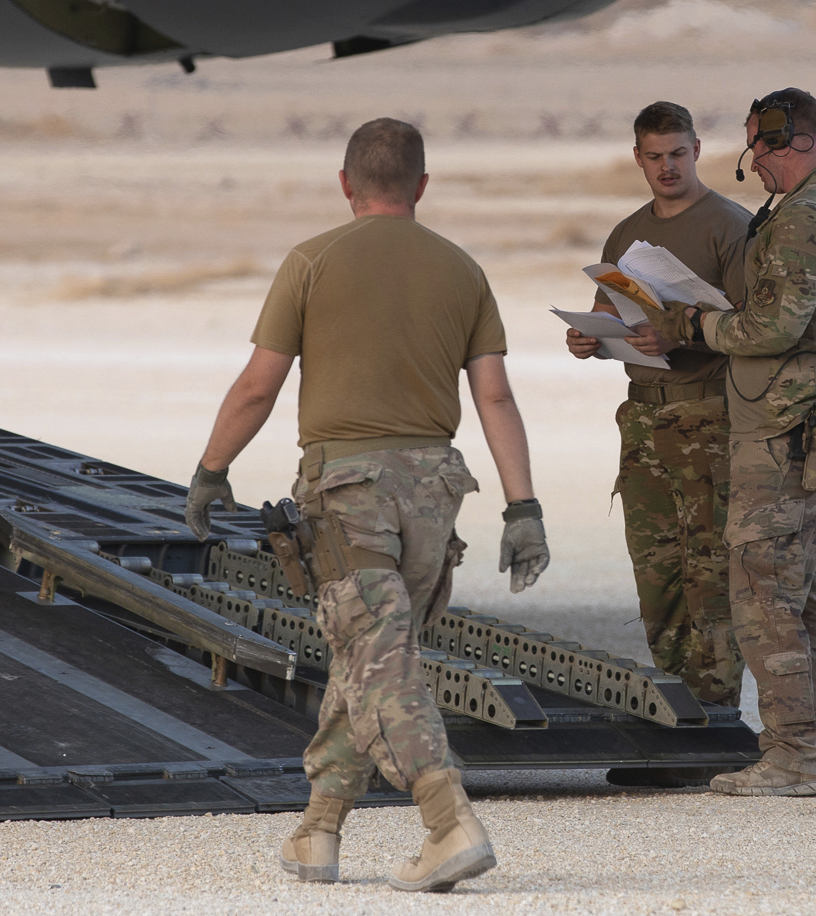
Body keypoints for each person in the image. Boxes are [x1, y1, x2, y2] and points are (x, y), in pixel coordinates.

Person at [182, 117, 550, 891]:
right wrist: (523, 507)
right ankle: (318, 830)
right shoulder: (462, 269)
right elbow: (495, 394)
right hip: (434, 494)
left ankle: (448, 820)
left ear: (345, 185)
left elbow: (258, 384)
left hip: (347, 493)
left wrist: (212, 469)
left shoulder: (312, 260)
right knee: (372, 658)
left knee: (380, 661)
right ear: (421, 185)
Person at [606, 88, 816, 798]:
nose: (754, 161)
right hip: (798, 422)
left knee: (761, 596)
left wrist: (691, 325)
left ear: (796, 141)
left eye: (761, 146)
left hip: (779, 427)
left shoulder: (805, 218)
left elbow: (772, 326)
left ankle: (792, 755)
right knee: (804, 596)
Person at [563, 102, 752, 785]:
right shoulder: (628, 231)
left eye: (678, 153)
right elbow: (618, 316)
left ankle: (716, 724)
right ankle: (674, 723)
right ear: (638, 158)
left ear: (698, 148)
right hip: (643, 419)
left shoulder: (731, 228)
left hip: (708, 419)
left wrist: (685, 330)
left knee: (711, 575)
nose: (667, 167)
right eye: (654, 156)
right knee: (658, 576)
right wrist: (590, 338)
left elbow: (754, 328)